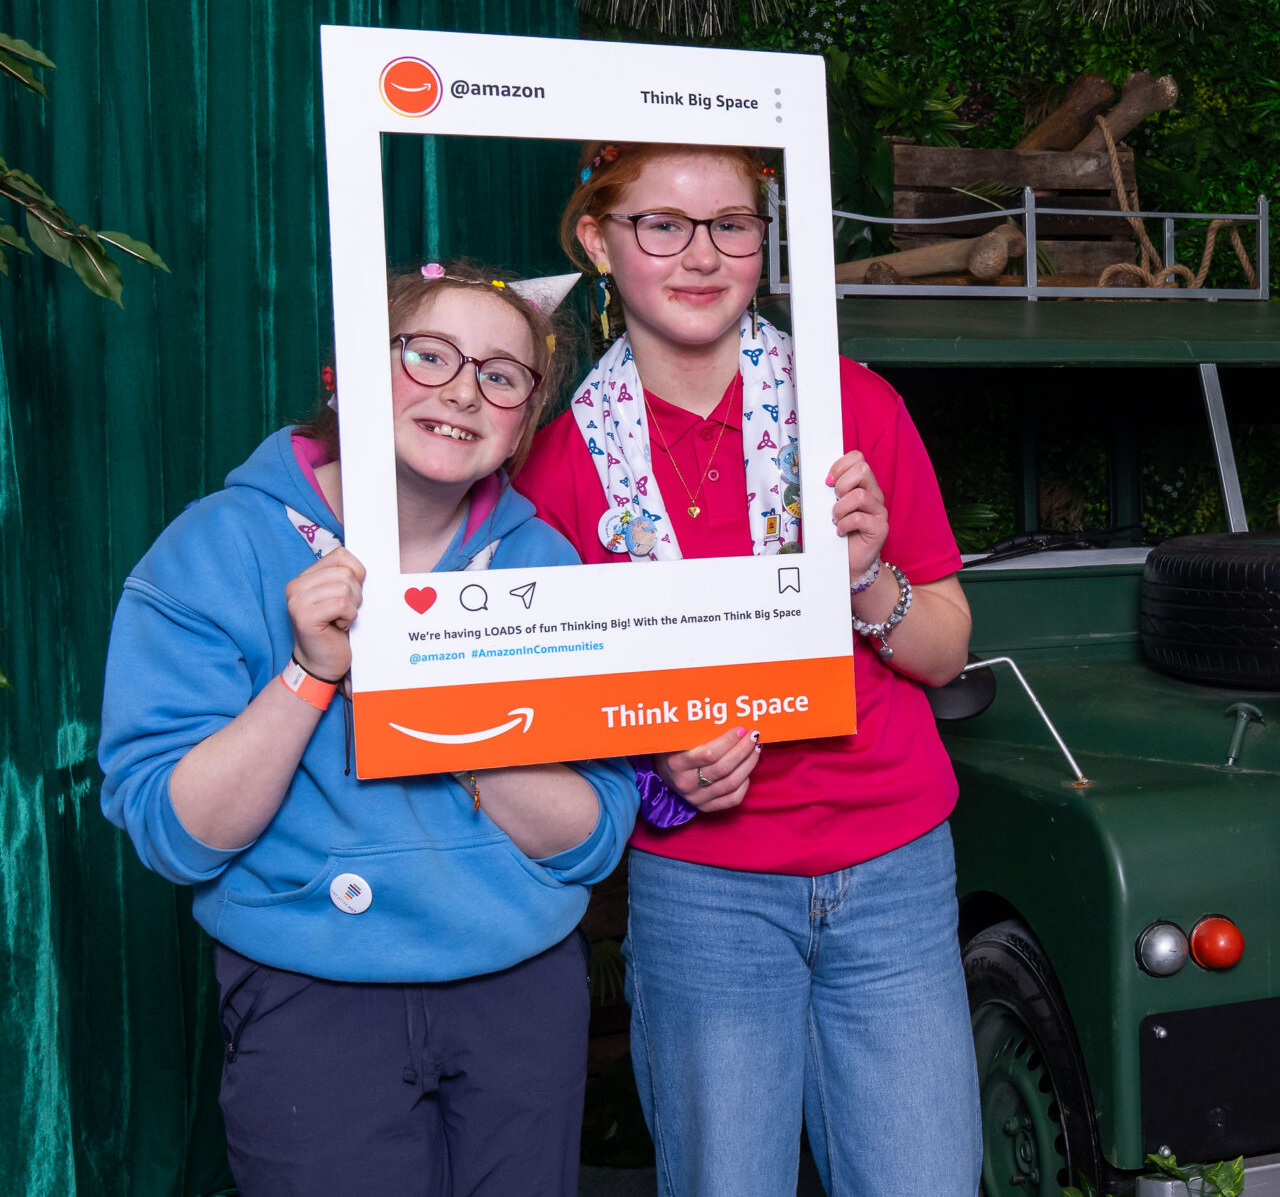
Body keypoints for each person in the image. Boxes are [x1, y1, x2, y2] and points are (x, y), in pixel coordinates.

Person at [99, 261, 635, 1197]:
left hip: (520, 992)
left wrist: (454, 719)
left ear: (522, 420)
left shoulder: (545, 564)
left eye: (501, 375)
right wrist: (310, 673)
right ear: (345, 371)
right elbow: (177, 836)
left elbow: (593, 835)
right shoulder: (213, 548)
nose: (463, 389)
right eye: (428, 356)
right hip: (313, 998)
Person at [512, 141, 976, 1197]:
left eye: (731, 224)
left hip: (894, 865)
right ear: (599, 240)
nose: (700, 254)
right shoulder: (558, 462)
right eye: (662, 226)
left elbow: (944, 649)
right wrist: (653, 762)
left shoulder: (853, 409)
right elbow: (546, 707)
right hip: (707, 892)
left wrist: (863, 580)